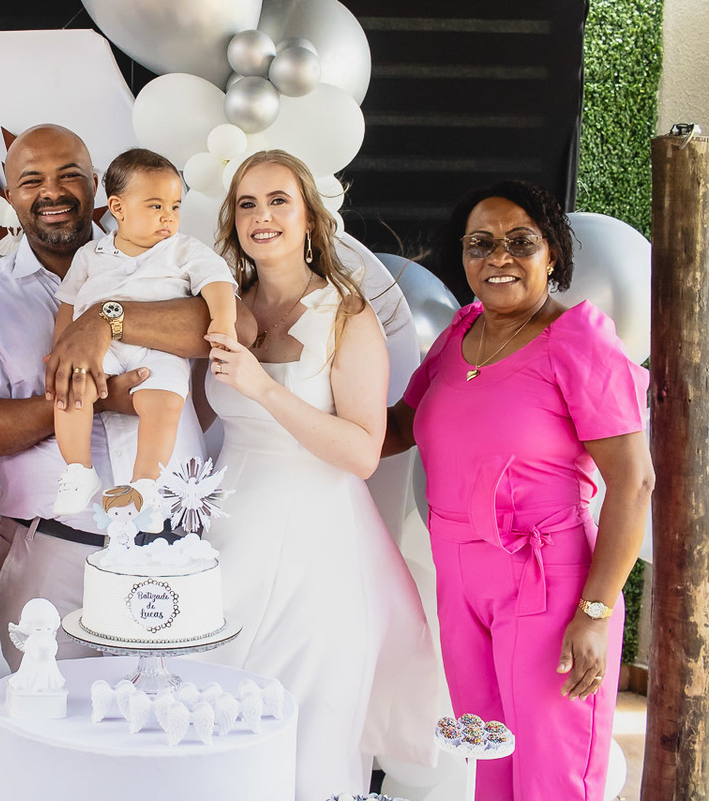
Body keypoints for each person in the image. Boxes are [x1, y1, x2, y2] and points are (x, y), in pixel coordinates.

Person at [383, 180, 653, 801]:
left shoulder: (580, 341)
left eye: (519, 241)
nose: (498, 258)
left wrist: (595, 612)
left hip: (547, 581)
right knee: (490, 759)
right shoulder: (462, 331)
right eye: (481, 244)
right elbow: (399, 428)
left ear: (552, 251)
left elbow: (633, 482)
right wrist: (288, 403)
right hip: (460, 581)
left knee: (552, 772)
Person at [0, 125, 238, 670]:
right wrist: (100, 398)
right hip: (55, 554)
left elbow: (228, 327)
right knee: (56, 730)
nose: (52, 192)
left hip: (173, 549)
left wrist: (107, 319)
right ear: (10, 197)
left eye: (69, 175)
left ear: (98, 186)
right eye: (31, 181)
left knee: (170, 731)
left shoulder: (174, 262)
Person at [200, 150, 440, 800]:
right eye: (247, 203)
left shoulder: (346, 314)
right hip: (228, 537)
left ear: (309, 215)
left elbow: (363, 451)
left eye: (278, 199)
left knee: (310, 738)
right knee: (215, 726)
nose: (261, 216)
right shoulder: (225, 308)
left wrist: (261, 386)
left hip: (320, 550)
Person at [52, 147, 237, 518]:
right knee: (73, 388)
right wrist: (63, 349)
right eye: (156, 206)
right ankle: (78, 469)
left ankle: (146, 484)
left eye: (175, 206)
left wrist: (223, 321)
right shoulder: (90, 256)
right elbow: (69, 306)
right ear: (118, 208)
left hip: (158, 350)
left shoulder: (182, 249)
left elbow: (217, 281)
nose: (168, 217)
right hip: (100, 349)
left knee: (164, 402)